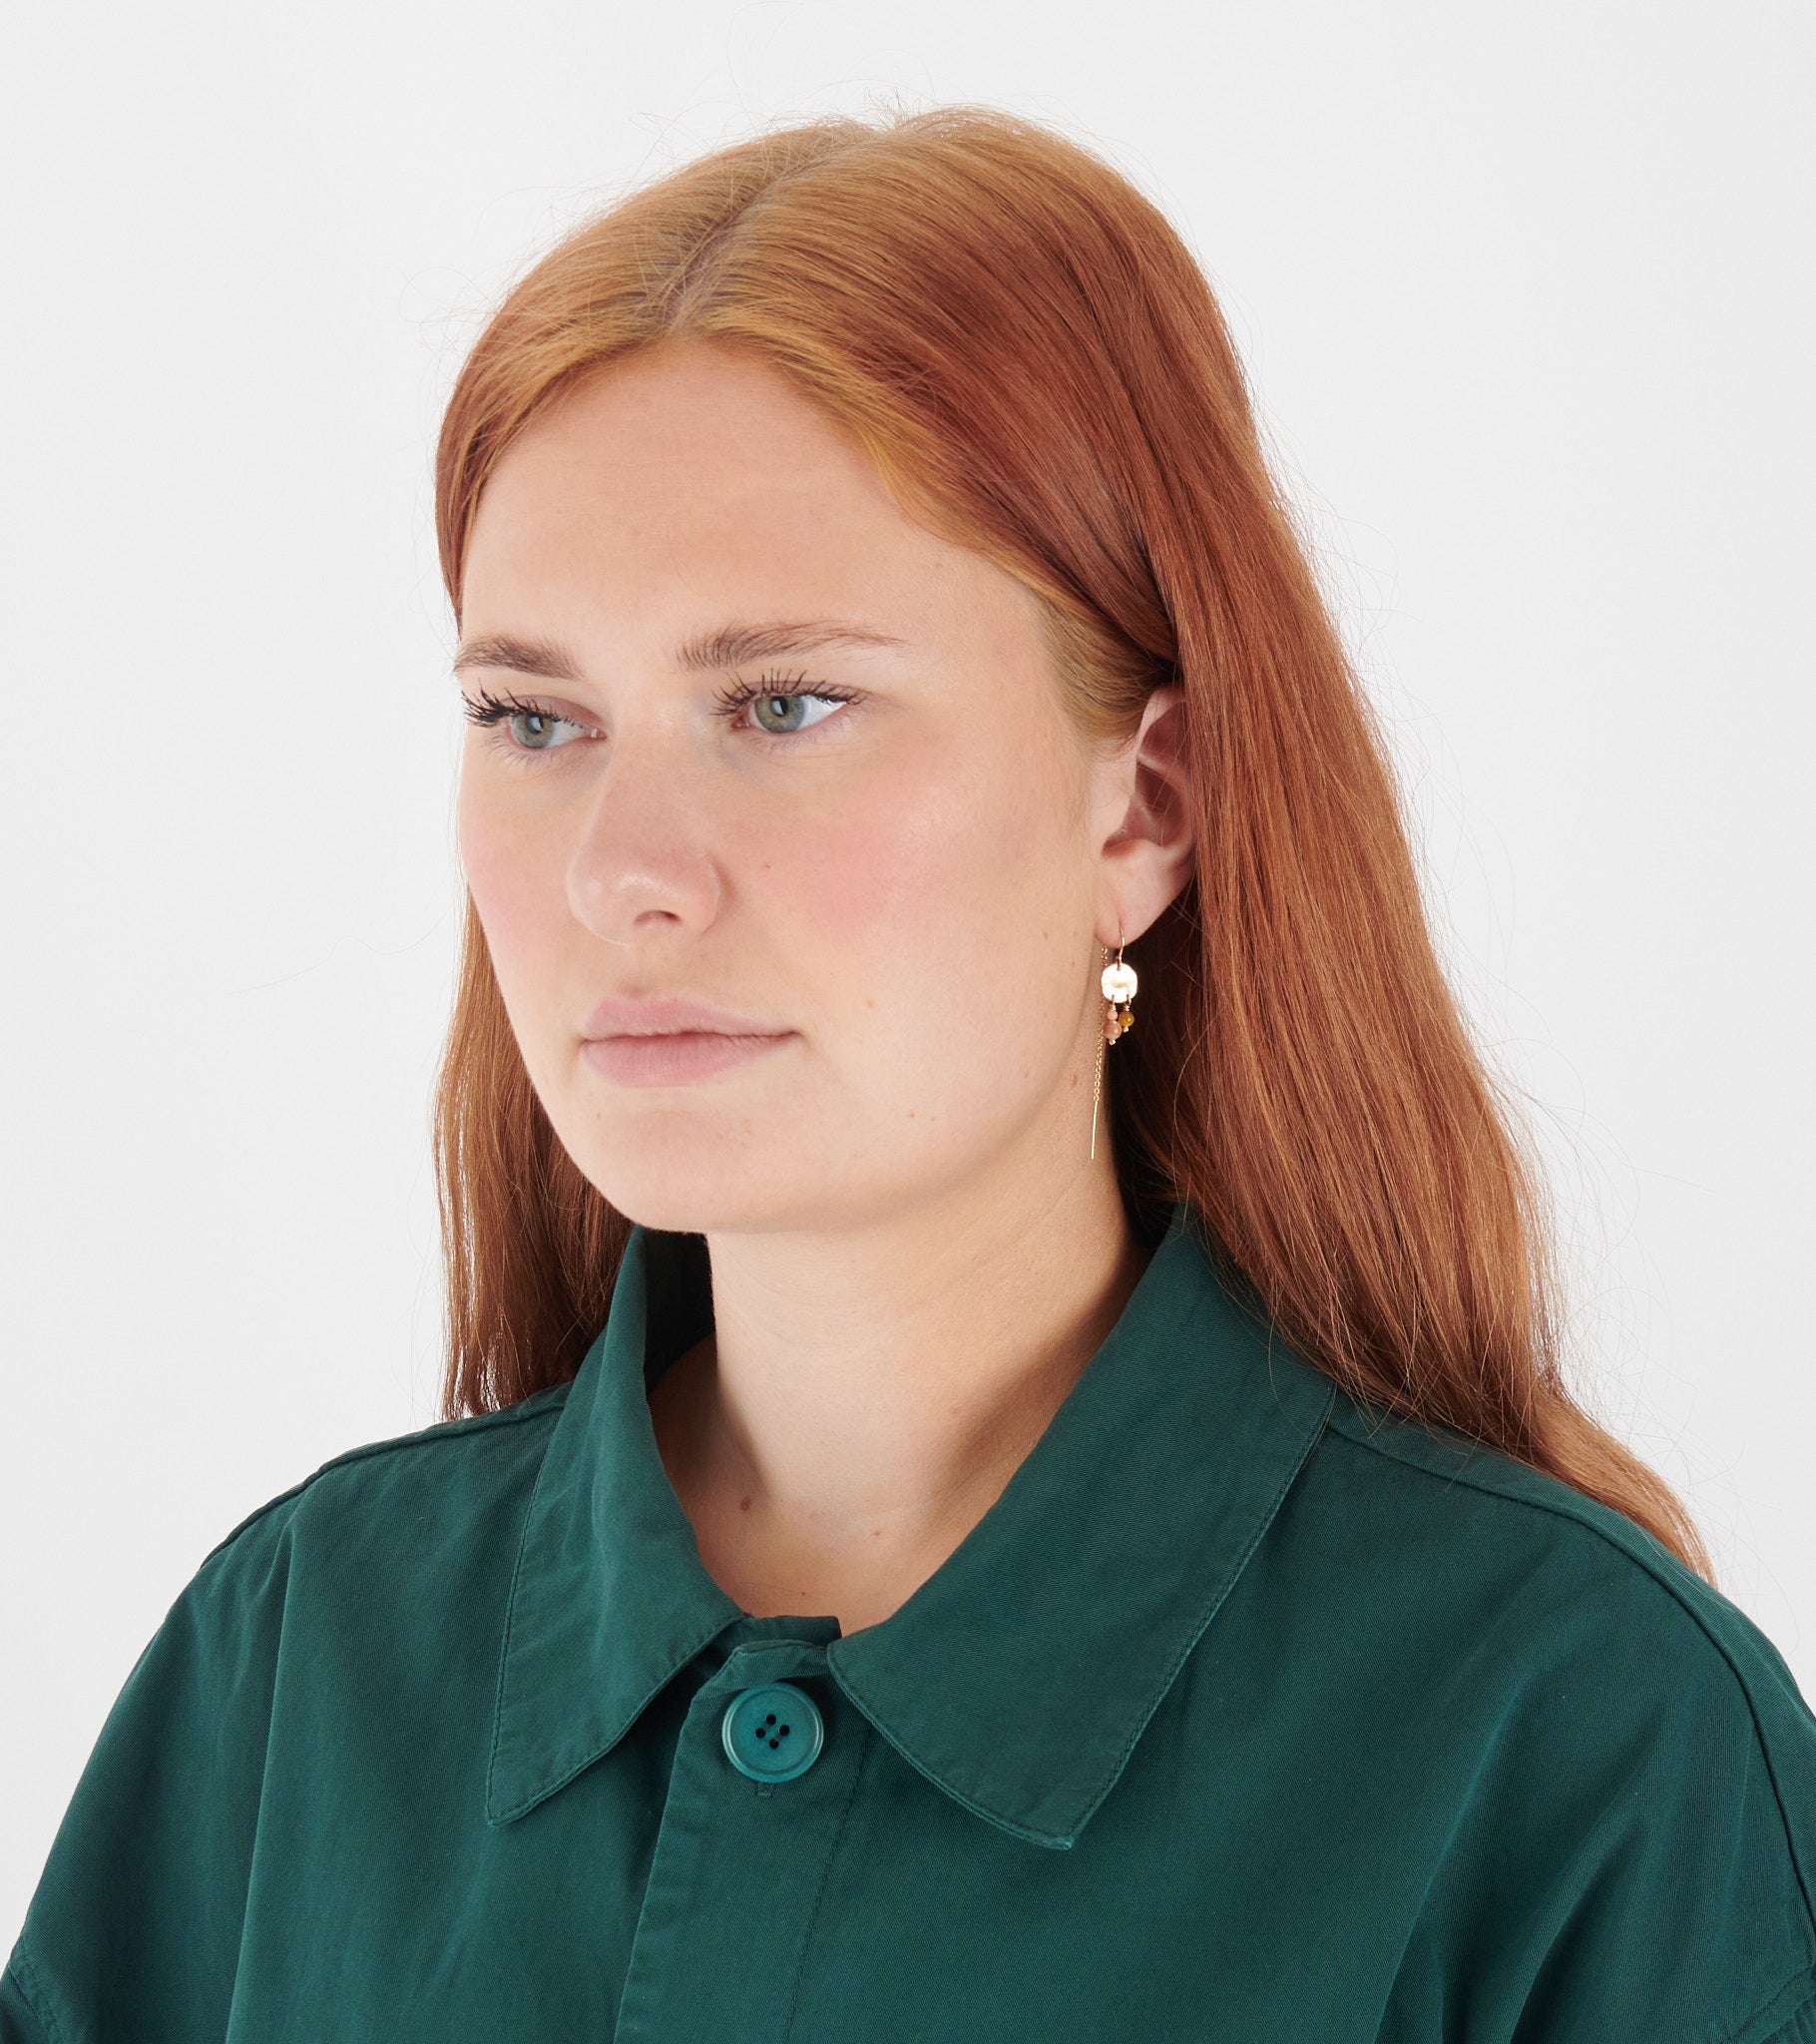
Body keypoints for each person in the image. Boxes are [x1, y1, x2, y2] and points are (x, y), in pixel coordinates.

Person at [6, 103, 1814, 2044]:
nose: (622, 871)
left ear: (1148, 804)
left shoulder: (1586, 1748)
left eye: (786, 703)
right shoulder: (291, 1667)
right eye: (532, 717)